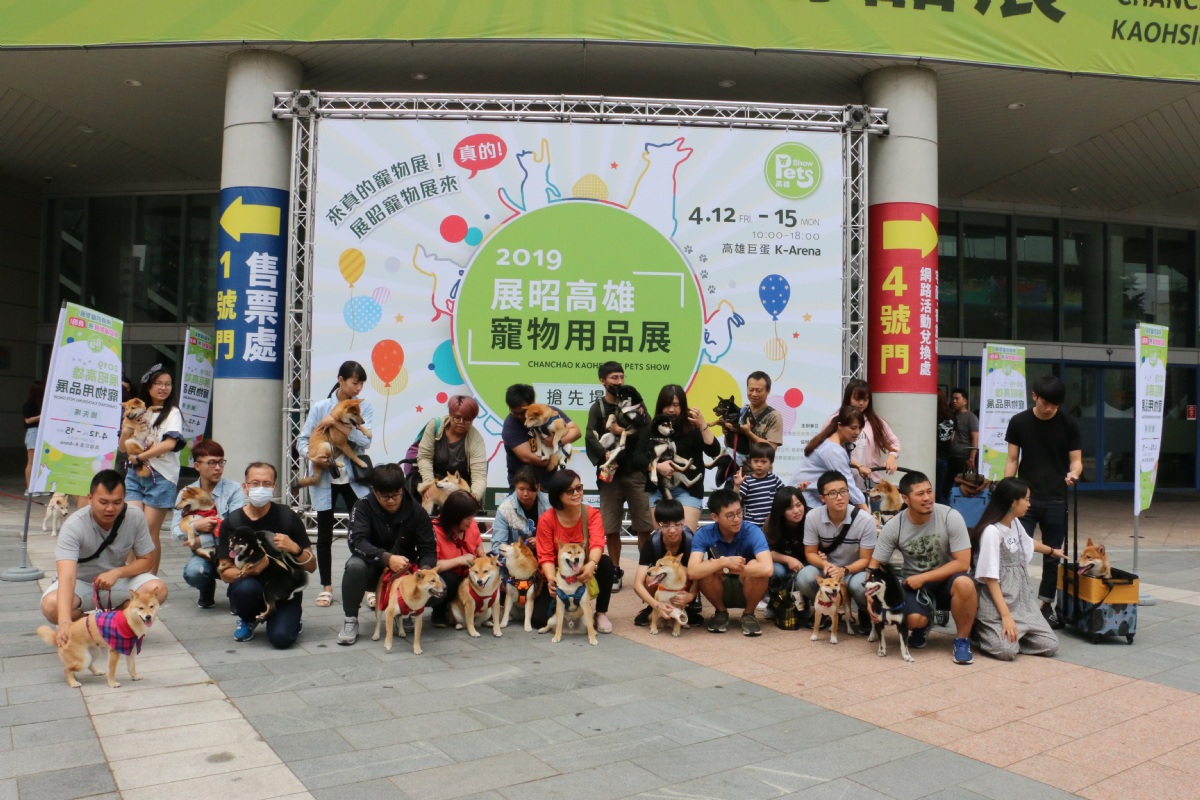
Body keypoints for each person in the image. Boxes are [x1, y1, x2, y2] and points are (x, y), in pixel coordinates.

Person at [40, 470, 169, 643]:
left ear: (124, 498)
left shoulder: (134, 516)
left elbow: (146, 561)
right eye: (103, 502)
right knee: (51, 605)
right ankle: (97, 627)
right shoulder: (74, 526)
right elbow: (67, 577)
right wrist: (64, 621)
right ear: (90, 498)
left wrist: (117, 572)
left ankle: (115, 624)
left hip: (118, 581)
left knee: (158, 589)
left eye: (117, 502)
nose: (110, 508)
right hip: (81, 583)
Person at [869, 471, 978, 665]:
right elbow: (875, 565)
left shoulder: (950, 516)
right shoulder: (895, 526)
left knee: (965, 583)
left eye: (929, 491)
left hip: (947, 581)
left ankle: (962, 641)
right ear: (905, 498)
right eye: (920, 494)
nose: (927, 498)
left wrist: (924, 577)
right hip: (914, 586)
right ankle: (922, 625)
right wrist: (870, 596)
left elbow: (963, 563)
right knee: (912, 620)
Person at [1003, 374, 1082, 628]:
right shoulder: (1019, 422)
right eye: (1045, 403)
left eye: (1055, 405)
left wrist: (1074, 474)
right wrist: (1007, 489)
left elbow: (1076, 461)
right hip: (1025, 498)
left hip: (1057, 497)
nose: (1049, 409)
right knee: (1016, 549)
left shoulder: (1069, 424)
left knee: (1053, 554)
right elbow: (1012, 459)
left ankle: (1046, 604)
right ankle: (1015, 601)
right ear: (1034, 396)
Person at [297, 360, 374, 609]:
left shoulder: (364, 406)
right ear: (341, 380)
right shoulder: (321, 407)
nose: (358, 388)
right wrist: (311, 457)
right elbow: (302, 440)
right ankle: (326, 588)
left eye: (361, 384)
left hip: (353, 479)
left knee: (363, 532)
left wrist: (338, 423)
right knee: (324, 535)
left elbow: (365, 442)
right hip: (325, 477)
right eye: (355, 383)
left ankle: (368, 587)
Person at [337, 462, 436, 646]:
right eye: (385, 496)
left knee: (440, 584)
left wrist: (424, 571)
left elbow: (428, 549)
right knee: (354, 567)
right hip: (372, 566)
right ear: (375, 491)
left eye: (396, 495)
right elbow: (356, 541)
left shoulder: (417, 511)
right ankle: (350, 619)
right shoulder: (362, 506)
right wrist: (386, 558)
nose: (391, 500)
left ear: (402, 489)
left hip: (405, 571)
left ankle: (405, 610)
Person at [218, 462, 316, 648]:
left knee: (281, 639)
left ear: (274, 487)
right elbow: (224, 573)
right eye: (255, 483)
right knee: (245, 588)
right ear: (245, 487)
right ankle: (248, 618)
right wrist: (250, 571)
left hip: (282, 588)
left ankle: (289, 618)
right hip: (250, 586)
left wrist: (295, 549)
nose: (261, 488)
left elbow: (312, 566)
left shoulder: (287, 517)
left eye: (267, 483)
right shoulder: (233, 522)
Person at [970, 477, 1063, 661]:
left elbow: (1029, 543)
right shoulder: (991, 532)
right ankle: (982, 632)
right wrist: (1006, 616)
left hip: (1022, 603)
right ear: (1013, 501)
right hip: (997, 605)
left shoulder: (1015, 523)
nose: (1029, 504)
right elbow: (990, 578)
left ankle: (1013, 637)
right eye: (1026, 499)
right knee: (1006, 651)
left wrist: (1053, 551)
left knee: (1050, 644)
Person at [584, 362, 652, 589]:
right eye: (614, 377)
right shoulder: (598, 408)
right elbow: (589, 436)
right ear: (602, 381)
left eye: (622, 377)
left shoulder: (636, 402)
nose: (619, 382)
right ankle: (614, 570)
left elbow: (648, 430)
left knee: (644, 525)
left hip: (636, 474)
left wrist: (621, 431)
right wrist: (604, 454)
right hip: (610, 477)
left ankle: (645, 570)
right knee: (611, 527)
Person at [120, 364, 185, 576]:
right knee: (131, 528)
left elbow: (169, 444)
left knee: (148, 532)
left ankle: (149, 581)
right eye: (158, 383)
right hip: (134, 474)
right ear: (148, 386)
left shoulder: (172, 413)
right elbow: (122, 448)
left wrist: (141, 456)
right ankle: (133, 577)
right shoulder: (137, 410)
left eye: (167, 384)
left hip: (161, 477)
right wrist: (126, 430)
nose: (163, 388)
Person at [535, 469, 615, 634]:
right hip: (559, 573)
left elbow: (597, 543)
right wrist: (551, 580)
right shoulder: (547, 519)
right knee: (539, 620)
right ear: (558, 495)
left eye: (579, 488)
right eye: (570, 491)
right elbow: (545, 555)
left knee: (606, 563)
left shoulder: (591, 514)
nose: (577, 493)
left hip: (583, 568)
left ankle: (600, 613)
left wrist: (592, 564)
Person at [633, 384, 721, 532]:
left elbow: (714, 450)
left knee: (685, 534)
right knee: (663, 537)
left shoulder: (693, 427)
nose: (671, 410)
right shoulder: (652, 429)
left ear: (683, 406)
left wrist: (702, 425)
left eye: (676, 405)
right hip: (660, 490)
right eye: (667, 405)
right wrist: (657, 467)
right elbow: (637, 458)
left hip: (688, 490)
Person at [796, 471, 876, 631]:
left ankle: (864, 611)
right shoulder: (813, 517)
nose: (840, 497)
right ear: (822, 498)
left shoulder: (865, 520)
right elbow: (810, 552)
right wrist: (825, 565)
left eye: (843, 491)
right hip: (827, 570)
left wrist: (844, 570)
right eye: (832, 493)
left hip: (854, 570)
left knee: (862, 586)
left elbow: (866, 559)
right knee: (804, 577)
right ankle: (826, 610)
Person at [169, 439, 245, 609]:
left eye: (221, 462)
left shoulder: (234, 490)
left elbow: (236, 530)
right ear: (197, 466)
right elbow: (174, 532)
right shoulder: (186, 493)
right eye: (212, 463)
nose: (218, 468)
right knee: (194, 573)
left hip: (232, 552)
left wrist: (201, 540)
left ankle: (235, 588)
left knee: (241, 589)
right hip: (205, 554)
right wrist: (196, 527)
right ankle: (207, 586)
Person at [688, 489, 773, 636]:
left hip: (747, 584)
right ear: (715, 517)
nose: (737, 519)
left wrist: (734, 568)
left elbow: (768, 568)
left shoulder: (752, 531)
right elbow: (692, 571)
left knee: (755, 565)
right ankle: (720, 612)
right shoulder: (704, 533)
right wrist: (723, 563)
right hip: (719, 586)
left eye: (739, 512)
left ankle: (749, 614)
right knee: (705, 568)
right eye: (730, 515)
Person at [489, 466, 551, 619]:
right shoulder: (505, 508)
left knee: (539, 619)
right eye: (521, 489)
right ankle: (504, 596)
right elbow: (497, 546)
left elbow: (559, 539)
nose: (525, 494)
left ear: (538, 487)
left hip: (544, 564)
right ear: (515, 487)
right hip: (514, 568)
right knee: (489, 559)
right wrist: (517, 562)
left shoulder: (550, 505)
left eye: (530, 489)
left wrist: (541, 542)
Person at [632, 499, 703, 628]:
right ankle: (652, 607)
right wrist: (655, 604)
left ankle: (686, 607)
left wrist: (691, 595)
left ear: (683, 522)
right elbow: (637, 584)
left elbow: (699, 574)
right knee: (651, 578)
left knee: (689, 571)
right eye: (666, 526)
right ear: (659, 525)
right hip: (660, 592)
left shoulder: (691, 541)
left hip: (683, 587)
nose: (672, 530)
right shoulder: (651, 543)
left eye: (677, 524)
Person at [501, 383, 581, 487]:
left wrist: (556, 442)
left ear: (533, 403)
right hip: (524, 485)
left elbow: (576, 431)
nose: (520, 416)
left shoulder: (548, 412)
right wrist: (556, 458)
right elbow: (528, 458)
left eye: (523, 412)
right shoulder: (510, 425)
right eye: (514, 413)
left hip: (551, 481)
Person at [792, 406, 870, 511]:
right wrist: (867, 513)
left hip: (808, 499)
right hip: (806, 500)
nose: (857, 432)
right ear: (840, 426)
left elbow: (842, 461)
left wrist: (858, 465)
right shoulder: (833, 449)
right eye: (853, 428)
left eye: (860, 428)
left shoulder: (833, 442)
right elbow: (847, 484)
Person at [429, 490, 488, 627]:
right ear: (454, 516)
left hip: (471, 574)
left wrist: (483, 556)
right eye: (467, 518)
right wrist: (460, 560)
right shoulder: (434, 530)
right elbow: (432, 565)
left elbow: (478, 544)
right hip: (449, 577)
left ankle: (480, 610)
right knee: (449, 579)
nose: (471, 520)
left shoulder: (471, 524)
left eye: (472, 516)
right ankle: (439, 611)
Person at [829, 378, 900, 485]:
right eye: (857, 399)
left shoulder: (876, 422)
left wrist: (892, 456)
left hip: (871, 481)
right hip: (842, 482)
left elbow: (893, 442)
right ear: (848, 398)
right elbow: (830, 451)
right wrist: (858, 465)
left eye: (865, 399)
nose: (861, 403)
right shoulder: (835, 420)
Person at [416, 394, 487, 503]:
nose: (461, 422)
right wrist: (429, 485)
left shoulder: (476, 439)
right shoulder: (435, 426)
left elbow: (479, 477)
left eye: (467, 419)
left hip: (459, 487)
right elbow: (424, 457)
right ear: (450, 414)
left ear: (472, 419)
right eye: (457, 417)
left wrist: (473, 496)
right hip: (433, 479)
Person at [720, 371, 783, 465]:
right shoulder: (742, 411)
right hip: (735, 467)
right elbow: (729, 445)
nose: (754, 394)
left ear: (768, 391)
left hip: (758, 471)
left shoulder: (774, 416)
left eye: (758, 390)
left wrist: (748, 433)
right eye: (751, 390)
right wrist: (727, 432)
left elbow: (771, 449)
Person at [733, 441, 784, 525]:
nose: (759, 464)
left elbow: (785, 494)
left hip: (770, 524)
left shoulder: (774, 478)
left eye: (763, 461)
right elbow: (736, 500)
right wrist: (737, 485)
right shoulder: (747, 480)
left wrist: (799, 490)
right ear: (751, 461)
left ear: (771, 463)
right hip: (752, 524)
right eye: (755, 461)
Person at [950, 387, 979, 478]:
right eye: (953, 398)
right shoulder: (950, 415)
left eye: (957, 398)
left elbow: (975, 438)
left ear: (965, 401)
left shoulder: (971, 417)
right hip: (950, 457)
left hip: (963, 458)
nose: (954, 401)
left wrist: (971, 458)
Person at [935, 390, 957, 504]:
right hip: (945, 456)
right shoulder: (952, 417)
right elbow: (952, 438)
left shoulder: (933, 416)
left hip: (933, 456)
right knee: (940, 488)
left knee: (931, 489)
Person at [22, 380, 43, 492]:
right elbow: (28, 420)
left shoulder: (41, 403)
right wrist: (42, 415)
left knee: (39, 461)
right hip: (33, 432)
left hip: (40, 432)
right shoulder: (29, 404)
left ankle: (37, 486)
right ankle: (29, 488)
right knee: (31, 461)